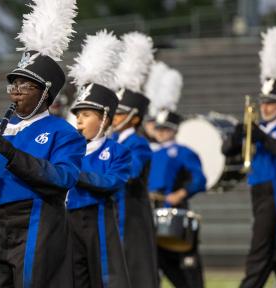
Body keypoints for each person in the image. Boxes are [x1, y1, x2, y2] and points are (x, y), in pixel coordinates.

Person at [0, 1, 84, 286]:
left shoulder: (62, 131)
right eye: (13, 84)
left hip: (37, 220)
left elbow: (63, 177)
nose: (15, 92)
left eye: (24, 86)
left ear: (45, 92)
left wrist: (13, 155)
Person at [224, 27, 276, 288]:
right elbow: (227, 152)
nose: (264, 106)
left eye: (271, 102)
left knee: (265, 257)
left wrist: (262, 138)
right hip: (258, 192)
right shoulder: (257, 128)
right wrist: (237, 138)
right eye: (263, 101)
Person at [65, 30, 132, 288]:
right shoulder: (68, 149)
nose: (79, 120)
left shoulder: (118, 151)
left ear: (104, 118)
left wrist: (74, 174)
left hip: (98, 218)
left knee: (105, 278)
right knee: (75, 278)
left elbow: (111, 181)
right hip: (68, 219)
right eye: (78, 115)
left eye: (86, 115)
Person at [109, 32, 159, 288]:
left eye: (121, 114)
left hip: (132, 216)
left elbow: (131, 171)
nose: (114, 118)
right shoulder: (111, 142)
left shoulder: (138, 143)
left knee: (137, 275)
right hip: (115, 214)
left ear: (135, 118)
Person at [148, 109, 207, 288]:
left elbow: (199, 179)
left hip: (176, 214)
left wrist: (180, 193)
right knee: (155, 267)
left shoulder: (183, 152)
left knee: (188, 269)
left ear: (174, 130)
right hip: (153, 215)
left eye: (165, 128)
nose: (161, 132)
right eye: (158, 128)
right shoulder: (151, 153)